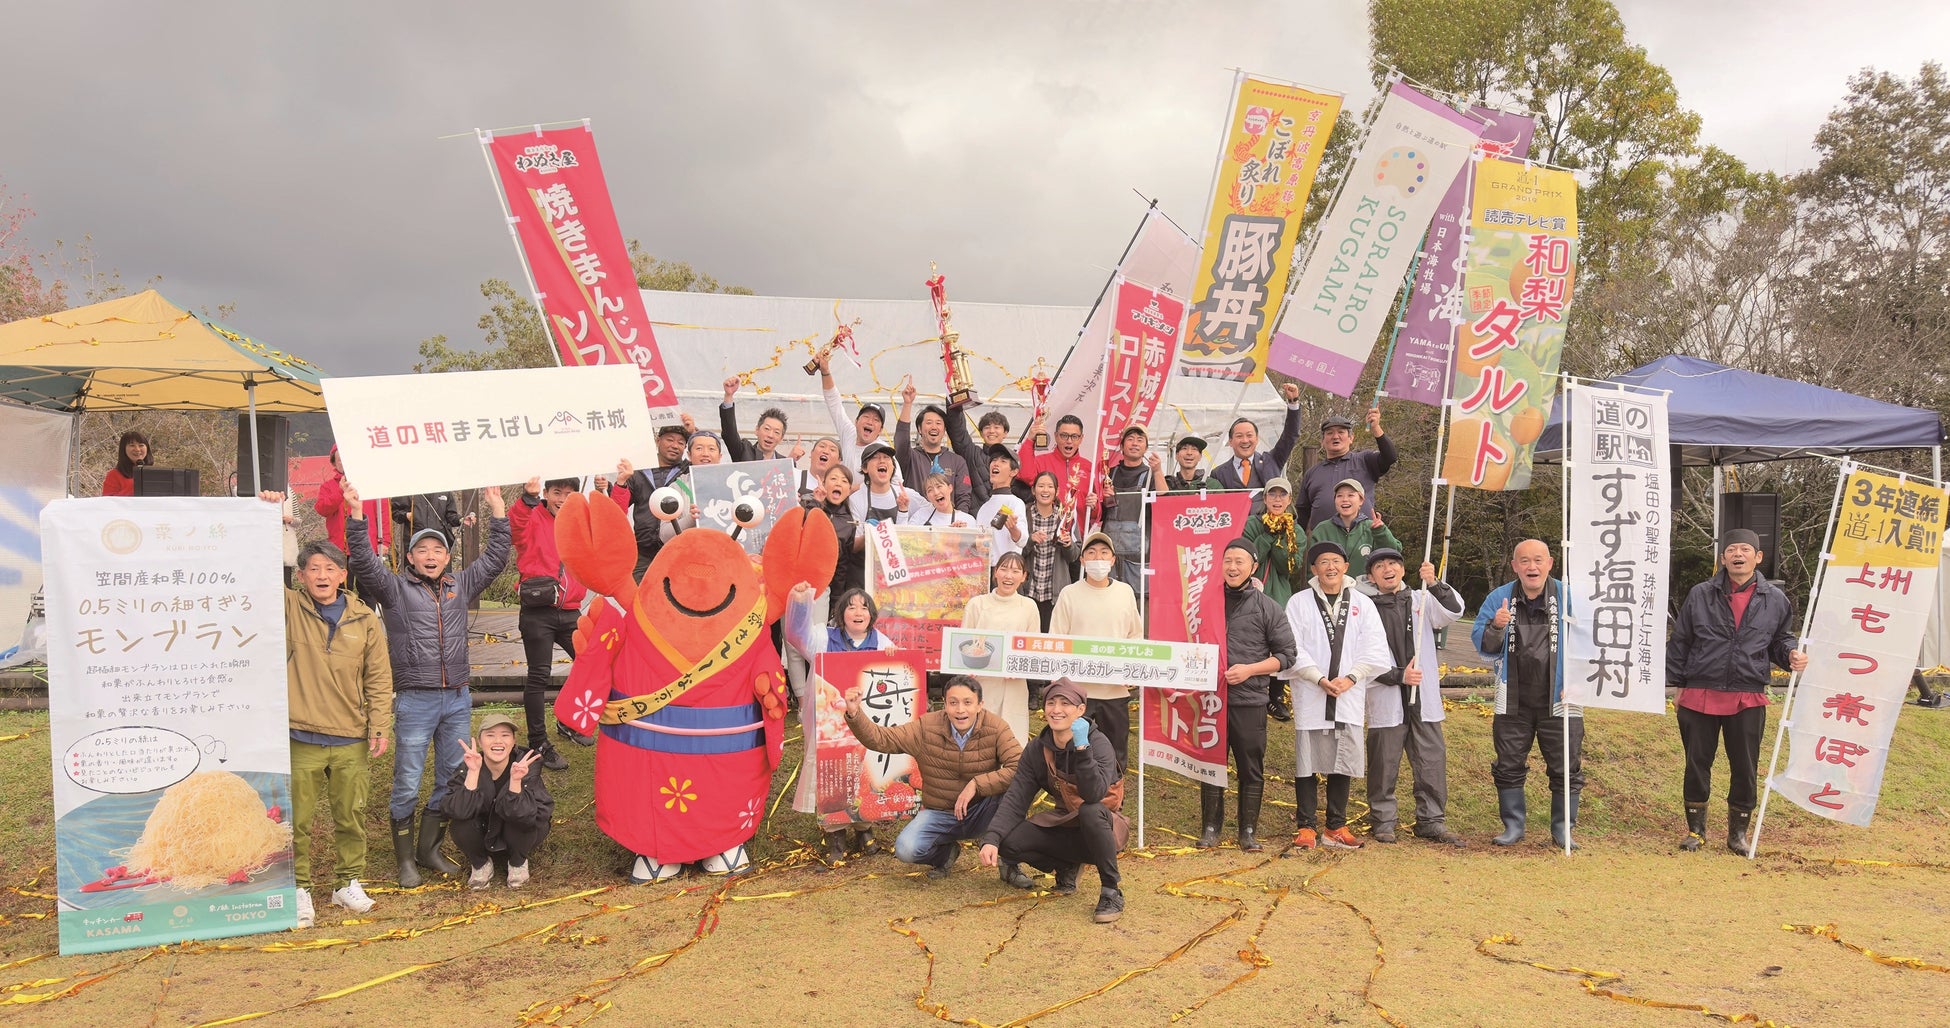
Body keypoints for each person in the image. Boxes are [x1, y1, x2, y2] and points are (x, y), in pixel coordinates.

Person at [343, 482, 511, 887]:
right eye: (423, 550)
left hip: (457, 697)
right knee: (407, 778)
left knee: (450, 776)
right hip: (416, 700)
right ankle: (405, 861)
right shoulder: (396, 589)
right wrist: (356, 517)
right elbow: (364, 562)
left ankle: (428, 849)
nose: (431, 556)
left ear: (447, 557)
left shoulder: (459, 586)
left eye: (438, 550)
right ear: (410, 559)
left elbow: (494, 559)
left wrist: (498, 512)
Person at [1667, 530, 1809, 854]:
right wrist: (1677, 686)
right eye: (1731, 549)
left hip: (1747, 694)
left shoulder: (1775, 599)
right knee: (1696, 763)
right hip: (1699, 692)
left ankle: (1738, 835)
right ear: (1722, 558)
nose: (1738, 554)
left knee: (1745, 766)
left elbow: (1779, 640)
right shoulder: (1701, 594)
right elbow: (1681, 641)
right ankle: (1696, 831)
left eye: (1745, 549)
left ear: (1758, 557)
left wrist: (1791, 654)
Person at [283, 537, 392, 928]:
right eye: (314, 568)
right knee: (298, 819)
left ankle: (347, 882)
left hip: (350, 736)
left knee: (351, 815)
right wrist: (279, 526)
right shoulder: (289, 607)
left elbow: (379, 677)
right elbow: (260, 576)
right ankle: (298, 888)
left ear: (343, 575)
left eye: (330, 569)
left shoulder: (365, 619)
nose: (322, 575)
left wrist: (380, 723)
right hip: (301, 734)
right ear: (301, 576)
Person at [979, 678, 1130, 924]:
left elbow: (1094, 795)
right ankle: (1067, 867)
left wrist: (1082, 749)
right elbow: (1017, 798)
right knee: (1008, 843)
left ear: (1081, 710)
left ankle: (1111, 890)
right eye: (1051, 702)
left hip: (1104, 826)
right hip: (1065, 823)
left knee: (1091, 811)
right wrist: (992, 839)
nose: (1056, 710)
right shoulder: (1037, 748)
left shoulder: (1100, 744)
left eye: (1065, 703)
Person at [842, 676, 1021, 878]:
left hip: (983, 809)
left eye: (968, 702)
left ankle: (1010, 866)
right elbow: (882, 739)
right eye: (953, 703)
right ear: (944, 704)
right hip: (941, 813)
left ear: (980, 705)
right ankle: (944, 855)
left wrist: (977, 785)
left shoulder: (996, 727)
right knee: (906, 848)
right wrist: (855, 713)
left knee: (1014, 797)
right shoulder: (926, 727)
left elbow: (1019, 767)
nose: (960, 710)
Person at [1283, 541, 1391, 851]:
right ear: (1313, 569)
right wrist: (1317, 677)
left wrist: (1352, 677)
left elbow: (1374, 647)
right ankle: (1305, 827)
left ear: (1346, 567)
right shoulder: (1299, 602)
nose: (1330, 567)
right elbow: (1293, 646)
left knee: (1342, 761)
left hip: (1348, 693)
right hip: (1312, 690)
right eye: (1323, 562)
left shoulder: (1362, 603)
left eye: (1336, 561)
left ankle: (1335, 826)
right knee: (1307, 762)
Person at [1472, 539, 1580, 849]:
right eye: (1524, 561)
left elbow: (1591, 641)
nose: (1532, 567)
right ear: (1515, 566)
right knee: (1508, 763)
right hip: (1513, 697)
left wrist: (1580, 683)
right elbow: (1482, 644)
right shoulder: (1500, 597)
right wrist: (1496, 626)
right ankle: (1513, 826)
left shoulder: (1569, 597)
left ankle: (1563, 830)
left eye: (1538, 560)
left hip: (1562, 697)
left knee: (1567, 765)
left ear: (1550, 563)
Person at [784, 582, 899, 865]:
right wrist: (799, 601)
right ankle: (835, 834)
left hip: (864, 724)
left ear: (871, 614)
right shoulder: (824, 637)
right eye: (851, 606)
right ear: (841, 612)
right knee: (832, 774)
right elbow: (796, 635)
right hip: (829, 726)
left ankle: (863, 827)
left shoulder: (883, 644)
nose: (858, 611)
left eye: (864, 606)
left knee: (863, 771)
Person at [1359, 549, 1467, 846]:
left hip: (1423, 693)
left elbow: (1454, 610)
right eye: (1379, 566)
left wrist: (1434, 583)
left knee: (1430, 757)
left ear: (1404, 569)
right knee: (1384, 760)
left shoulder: (1421, 599)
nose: (1387, 569)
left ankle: (1431, 820)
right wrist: (1396, 675)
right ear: (1371, 577)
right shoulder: (1365, 609)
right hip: (1387, 691)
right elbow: (1360, 657)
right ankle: (1383, 820)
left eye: (1392, 563)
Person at [1199, 539, 1296, 852]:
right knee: (1211, 764)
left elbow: (1286, 656)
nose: (1232, 567)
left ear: (1253, 567)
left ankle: (1248, 830)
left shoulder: (1269, 607)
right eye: (1228, 560)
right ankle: (1210, 827)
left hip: (1250, 700)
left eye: (1240, 561)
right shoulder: (1205, 600)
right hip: (1211, 700)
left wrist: (1251, 669)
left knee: (1250, 767)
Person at [510, 477, 589, 768]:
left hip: (571, 611)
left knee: (589, 666)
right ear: (546, 493)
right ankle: (538, 742)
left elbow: (611, 528)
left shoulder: (580, 520)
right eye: (557, 492)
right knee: (539, 676)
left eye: (570, 494)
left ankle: (569, 722)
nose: (563, 499)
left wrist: (616, 489)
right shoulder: (532, 517)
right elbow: (515, 526)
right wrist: (527, 497)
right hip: (537, 612)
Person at [1049, 532, 1142, 773]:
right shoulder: (1070, 594)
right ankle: (1072, 803)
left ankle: (1113, 804)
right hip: (1078, 692)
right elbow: (1057, 638)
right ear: (1082, 560)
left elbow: (1135, 636)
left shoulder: (1125, 592)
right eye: (1091, 553)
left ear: (1113, 560)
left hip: (1115, 691)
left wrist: (1131, 672)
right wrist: (1061, 682)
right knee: (1073, 749)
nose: (1097, 558)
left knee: (1115, 750)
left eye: (1103, 553)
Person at [445, 712, 555, 890]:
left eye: (505, 735)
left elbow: (530, 814)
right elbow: (457, 811)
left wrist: (516, 782)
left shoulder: (526, 766)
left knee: (523, 815)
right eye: (490, 735)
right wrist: (473, 773)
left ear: (513, 742)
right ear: (480, 741)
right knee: (460, 822)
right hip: (482, 832)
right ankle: (481, 864)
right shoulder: (468, 765)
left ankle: (518, 862)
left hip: (518, 833)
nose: (498, 741)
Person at [960, 552, 1042, 744]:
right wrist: (967, 668)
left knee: (1013, 737)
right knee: (980, 737)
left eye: (1015, 571)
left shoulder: (1028, 606)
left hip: (1014, 684)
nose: (1008, 576)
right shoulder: (977, 604)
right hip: (981, 682)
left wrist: (1019, 666)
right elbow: (963, 643)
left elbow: (1033, 647)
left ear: (1023, 577)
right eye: (1004, 569)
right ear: (995, 572)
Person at [609, 423, 691, 577]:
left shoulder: (688, 472)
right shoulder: (637, 472)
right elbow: (617, 510)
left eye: (681, 443)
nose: (675, 446)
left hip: (678, 550)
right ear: (657, 440)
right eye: (670, 440)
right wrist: (620, 484)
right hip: (644, 551)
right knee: (639, 597)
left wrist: (694, 433)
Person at [1296, 408, 1397, 531]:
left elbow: (1390, 457)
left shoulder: (1365, 460)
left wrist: (1376, 428)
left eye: (1341, 432)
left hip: (1362, 540)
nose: (1335, 436)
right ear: (1322, 441)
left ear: (1351, 438)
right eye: (1329, 433)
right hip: (1324, 541)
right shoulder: (1312, 473)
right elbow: (1302, 513)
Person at [1207, 381, 1304, 496]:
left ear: (1257, 439)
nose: (1245, 440)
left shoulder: (1271, 461)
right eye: (1239, 436)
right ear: (1230, 441)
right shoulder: (1218, 473)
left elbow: (1290, 435)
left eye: (1249, 435)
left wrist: (1293, 403)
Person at [895, 383, 975, 515]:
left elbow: (963, 496)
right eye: (928, 423)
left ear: (944, 430)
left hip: (947, 526)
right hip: (916, 524)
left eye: (938, 423)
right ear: (920, 429)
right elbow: (901, 440)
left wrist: (958, 520)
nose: (934, 427)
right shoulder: (910, 457)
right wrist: (907, 404)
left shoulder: (957, 461)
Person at [1306, 480, 1403, 578]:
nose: (1345, 499)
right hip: (1331, 589)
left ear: (1361, 500)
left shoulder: (1373, 527)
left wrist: (1381, 532)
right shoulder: (1322, 529)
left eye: (1350, 495)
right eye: (1339, 496)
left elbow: (1394, 553)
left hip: (1366, 590)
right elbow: (1313, 566)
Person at [1098, 425, 1154, 596]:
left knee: (1137, 604)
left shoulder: (1151, 476)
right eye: (1130, 439)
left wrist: (1157, 471)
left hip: (1139, 557)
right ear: (1121, 446)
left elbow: (1163, 502)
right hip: (1110, 554)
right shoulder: (1109, 474)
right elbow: (1098, 515)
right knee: (1108, 599)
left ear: (1146, 447)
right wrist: (1101, 499)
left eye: (1140, 440)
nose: (1135, 444)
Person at [1021, 471, 1078, 630]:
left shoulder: (1066, 517)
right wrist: (1030, 541)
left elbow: (1074, 556)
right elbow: (1015, 551)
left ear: (1057, 491)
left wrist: (1068, 545)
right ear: (1033, 490)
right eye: (1041, 486)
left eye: (1049, 486)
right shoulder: (1024, 513)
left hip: (1055, 592)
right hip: (1028, 590)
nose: (1045, 490)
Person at [817, 351, 889, 471]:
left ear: (880, 430)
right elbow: (833, 402)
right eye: (866, 417)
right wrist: (825, 372)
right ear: (856, 421)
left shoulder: (883, 451)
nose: (870, 422)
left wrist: (854, 489)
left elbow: (897, 484)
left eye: (876, 420)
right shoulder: (849, 433)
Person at [1018, 414, 1093, 517]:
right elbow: (1025, 475)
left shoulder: (1089, 468)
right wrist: (1030, 440)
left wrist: (1095, 505)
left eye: (1074, 436)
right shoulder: (1041, 461)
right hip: (1047, 527)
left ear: (1081, 438)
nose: (1069, 441)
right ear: (1056, 436)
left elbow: (1096, 513)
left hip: (1078, 531)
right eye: (1064, 435)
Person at [719, 376, 797, 464]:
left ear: (781, 438)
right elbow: (730, 433)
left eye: (776, 432)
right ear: (757, 430)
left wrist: (790, 462)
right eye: (767, 429)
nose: (770, 435)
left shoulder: (785, 463)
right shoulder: (744, 451)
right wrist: (728, 396)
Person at [947, 407, 1017, 506]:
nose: (991, 431)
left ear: (1005, 433)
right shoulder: (972, 453)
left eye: (997, 427)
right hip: (976, 516)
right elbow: (958, 432)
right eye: (987, 427)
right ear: (981, 433)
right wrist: (955, 405)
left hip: (1004, 515)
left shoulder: (1013, 459)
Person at [848, 442, 928, 528]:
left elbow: (932, 511)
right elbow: (855, 539)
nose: (882, 461)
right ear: (864, 468)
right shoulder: (855, 500)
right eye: (875, 457)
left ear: (893, 467)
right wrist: (868, 533)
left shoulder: (906, 495)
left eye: (886, 457)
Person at [974, 446, 1027, 570]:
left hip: (1006, 572)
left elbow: (1022, 540)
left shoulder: (1015, 503)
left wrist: (1013, 529)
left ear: (1013, 472)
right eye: (994, 460)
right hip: (985, 572)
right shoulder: (984, 508)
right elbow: (978, 544)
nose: (996, 464)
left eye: (1003, 461)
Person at [816, 464, 865, 596]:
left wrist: (836, 599)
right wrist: (816, 504)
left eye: (844, 481)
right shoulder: (807, 504)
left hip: (826, 587)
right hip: (801, 582)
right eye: (833, 479)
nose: (838, 483)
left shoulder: (848, 522)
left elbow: (842, 566)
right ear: (823, 483)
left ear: (849, 490)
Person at [101, 429, 152, 496]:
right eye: (132, 445)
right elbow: (108, 502)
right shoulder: (114, 475)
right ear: (123, 449)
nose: (137, 449)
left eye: (141, 445)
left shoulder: (155, 472)